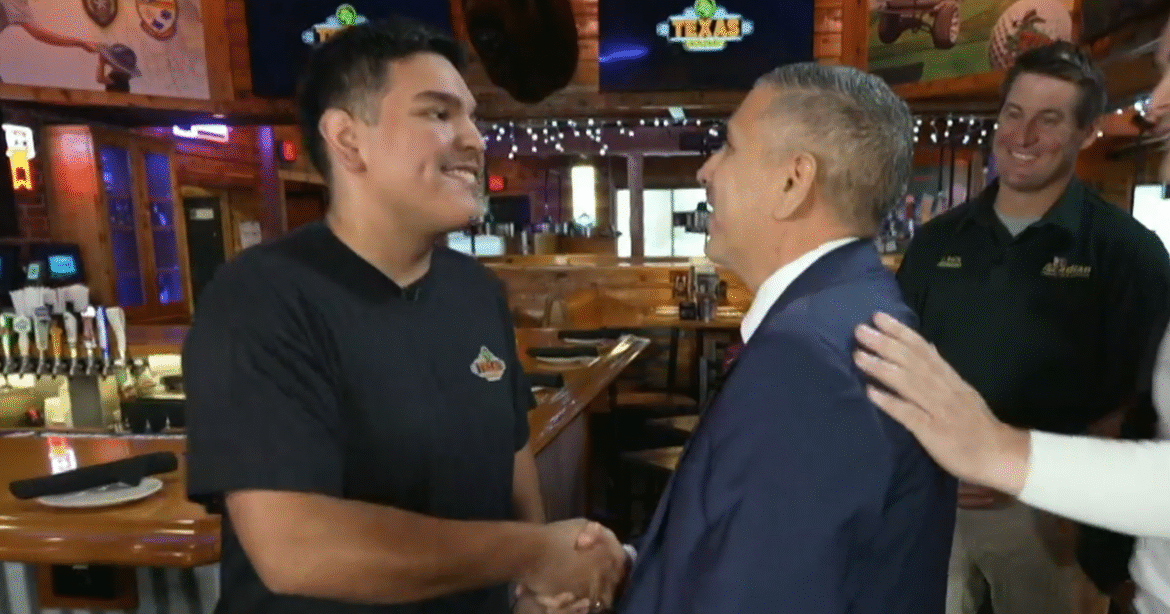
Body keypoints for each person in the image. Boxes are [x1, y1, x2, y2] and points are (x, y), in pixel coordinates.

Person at [182, 17, 624, 614]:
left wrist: (533, 593)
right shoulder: (259, 297)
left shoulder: (475, 290)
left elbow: (512, 466)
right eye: (439, 113)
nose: (474, 139)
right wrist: (533, 554)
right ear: (347, 140)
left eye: (472, 117)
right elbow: (296, 547)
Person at [546, 62, 957, 614]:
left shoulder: (807, 363)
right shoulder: (851, 307)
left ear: (793, 182)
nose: (706, 171)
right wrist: (629, 569)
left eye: (729, 147)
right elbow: (750, 552)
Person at [853, 20, 1170, 614]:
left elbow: (1141, 403)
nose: (1023, 136)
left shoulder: (1127, 252)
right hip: (935, 504)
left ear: (1086, 133)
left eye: (1049, 120)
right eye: (1014, 114)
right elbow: (896, 360)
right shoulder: (937, 241)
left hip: (1053, 515)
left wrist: (1066, 498)